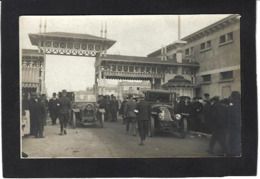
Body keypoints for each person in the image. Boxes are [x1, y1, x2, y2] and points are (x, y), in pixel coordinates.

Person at [227, 91, 241, 156]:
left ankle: (233, 153)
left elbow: (231, 117)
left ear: (233, 97)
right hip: (238, 125)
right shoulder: (239, 104)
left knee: (233, 139)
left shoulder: (233, 106)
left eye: (231, 96)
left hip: (233, 126)